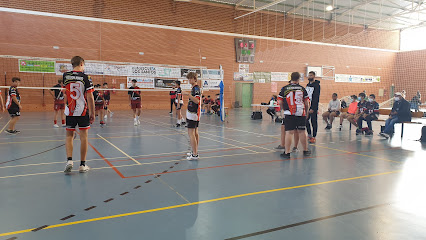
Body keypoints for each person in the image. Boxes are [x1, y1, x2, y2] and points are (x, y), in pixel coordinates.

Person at [63, 56, 95, 173]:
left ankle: (69, 161)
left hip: (70, 111)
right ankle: (82, 165)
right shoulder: (86, 77)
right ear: (81, 63)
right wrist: (92, 112)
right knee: (84, 137)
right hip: (82, 111)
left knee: (69, 136)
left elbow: (65, 93)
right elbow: (90, 97)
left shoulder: (65, 76)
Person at [278, 72, 311, 159]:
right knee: (302, 131)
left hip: (289, 112)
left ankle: (287, 152)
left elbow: (280, 101)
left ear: (291, 78)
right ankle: (305, 150)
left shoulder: (284, 88)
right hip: (300, 112)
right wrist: (306, 111)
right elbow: (307, 103)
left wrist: (283, 109)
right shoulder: (302, 89)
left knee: (289, 132)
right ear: (298, 78)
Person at [184, 72, 201, 160]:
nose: (189, 80)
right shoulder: (194, 88)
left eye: (191, 79)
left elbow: (197, 101)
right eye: (189, 79)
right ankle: (195, 151)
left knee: (191, 134)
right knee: (195, 133)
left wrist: (188, 95)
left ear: (195, 79)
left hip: (193, 113)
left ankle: (195, 154)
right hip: (193, 113)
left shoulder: (196, 89)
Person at [305, 72, 321, 143]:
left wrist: (313, 108)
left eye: (311, 75)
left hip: (313, 107)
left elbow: (316, 98)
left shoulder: (317, 86)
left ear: (314, 76)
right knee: (305, 120)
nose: (309, 76)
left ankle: (314, 136)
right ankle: (309, 134)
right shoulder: (308, 85)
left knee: (313, 121)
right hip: (307, 105)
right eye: (309, 75)